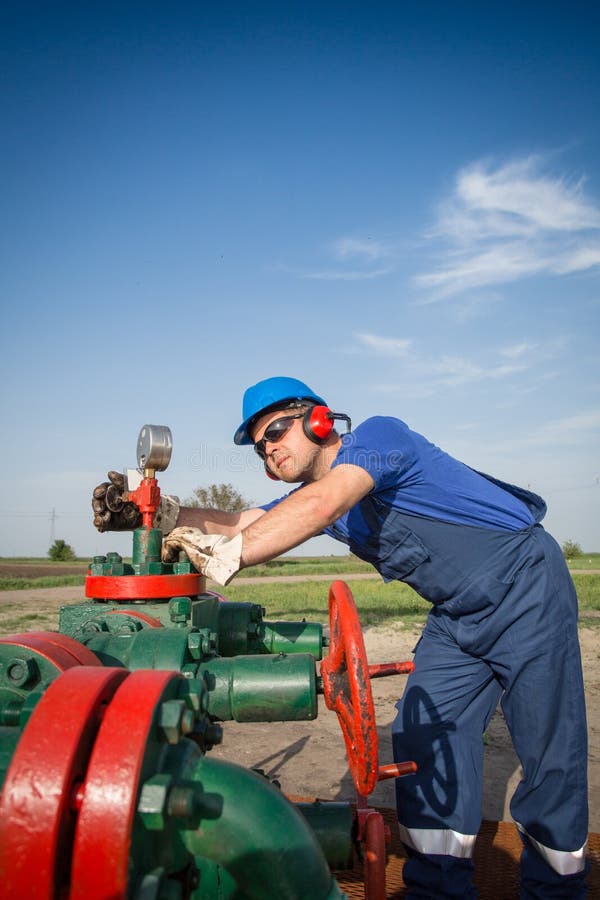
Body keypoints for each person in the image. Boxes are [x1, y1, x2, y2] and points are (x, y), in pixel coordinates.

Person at [92, 376, 589, 899]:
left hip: (526, 586)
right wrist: (164, 514)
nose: (269, 448)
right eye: (261, 445)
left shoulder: (377, 440)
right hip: (458, 615)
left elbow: (325, 502)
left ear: (318, 421)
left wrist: (230, 555)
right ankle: (436, 887)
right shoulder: (313, 496)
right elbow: (239, 519)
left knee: (549, 747)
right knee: (424, 735)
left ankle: (556, 887)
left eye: (277, 431)